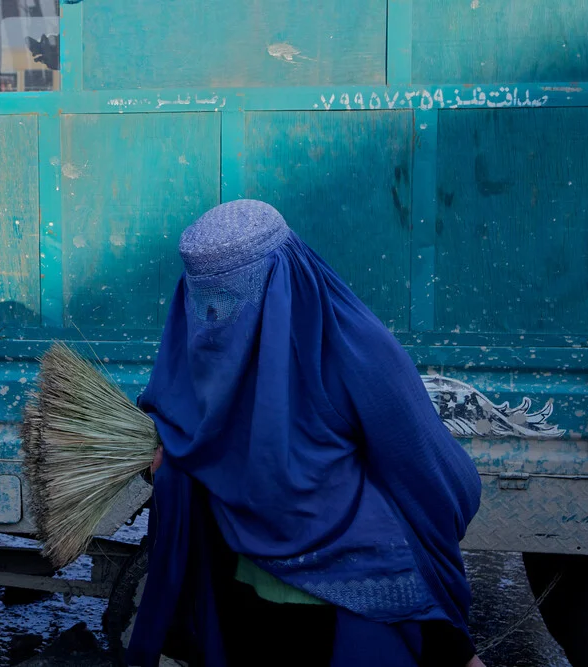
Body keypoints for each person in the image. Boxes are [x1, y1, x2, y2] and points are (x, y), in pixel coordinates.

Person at [127, 200, 485, 667]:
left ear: (280, 278)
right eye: (207, 297)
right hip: (265, 599)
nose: (217, 313)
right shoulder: (352, 347)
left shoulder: (344, 349)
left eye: (234, 293)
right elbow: (441, 481)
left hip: (336, 612)